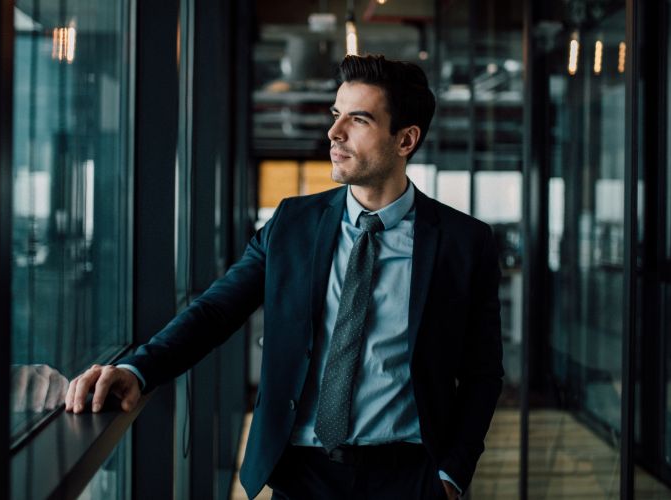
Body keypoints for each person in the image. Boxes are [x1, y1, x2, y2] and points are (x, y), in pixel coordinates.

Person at [65, 54, 503, 500]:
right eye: (336, 115)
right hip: (301, 474)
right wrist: (138, 369)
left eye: (359, 119)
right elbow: (216, 310)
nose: (334, 133)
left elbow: (482, 373)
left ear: (405, 139)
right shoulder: (293, 223)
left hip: (410, 477)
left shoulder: (464, 243)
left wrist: (452, 475)